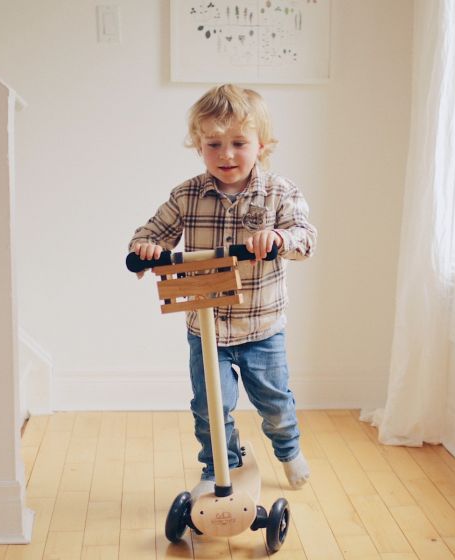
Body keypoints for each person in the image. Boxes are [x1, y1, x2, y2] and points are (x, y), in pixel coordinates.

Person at [128, 84, 317, 496]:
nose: (226, 155)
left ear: (261, 145)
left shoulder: (279, 193)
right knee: (210, 407)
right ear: (199, 146)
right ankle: (220, 469)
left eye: (238, 143)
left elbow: (305, 237)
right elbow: (150, 234)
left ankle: (288, 451)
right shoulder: (186, 196)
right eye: (213, 144)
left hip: (262, 327)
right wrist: (147, 248)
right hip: (207, 328)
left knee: (274, 403)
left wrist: (279, 239)